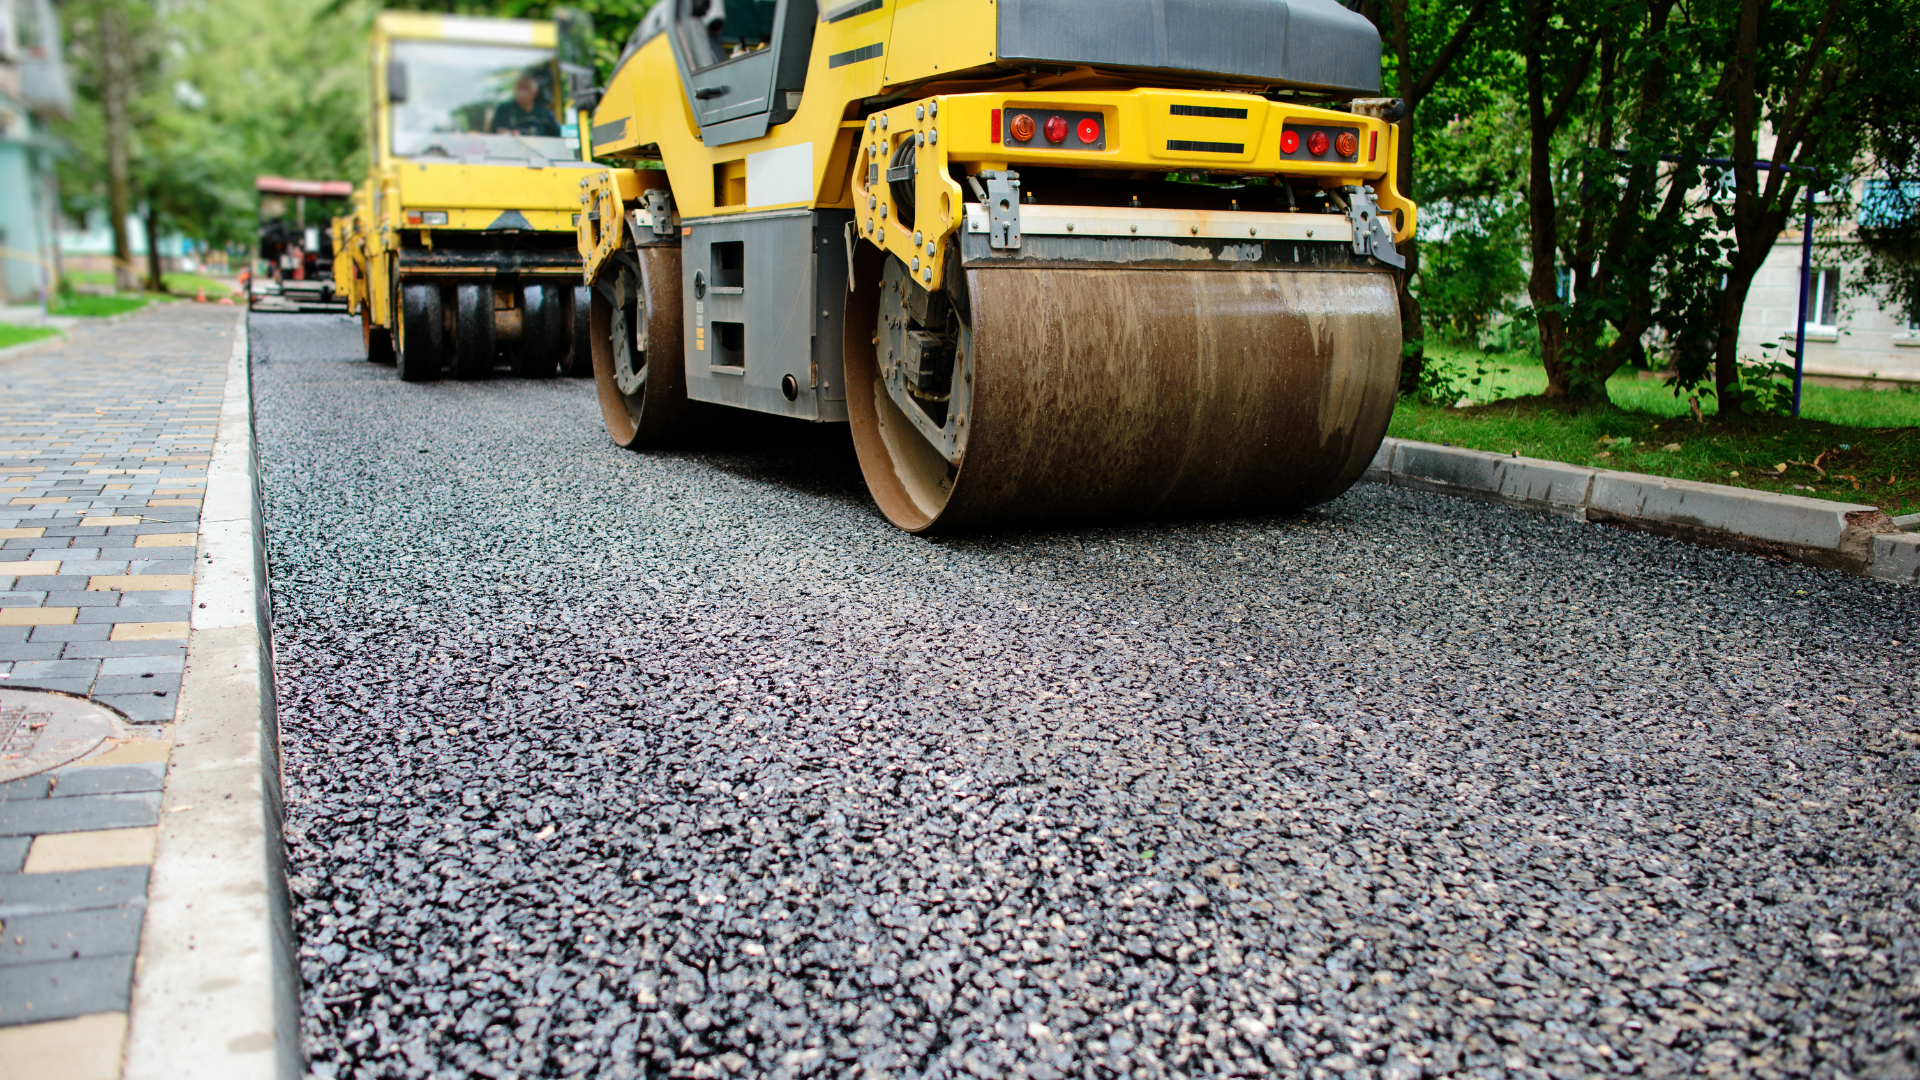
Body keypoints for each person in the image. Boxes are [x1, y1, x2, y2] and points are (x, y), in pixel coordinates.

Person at [490, 74, 560, 137]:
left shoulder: (544, 115)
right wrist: (509, 134)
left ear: (535, 93)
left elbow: (559, 135)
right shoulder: (504, 110)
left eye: (526, 87)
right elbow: (497, 132)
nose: (522, 91)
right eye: (519, 87)